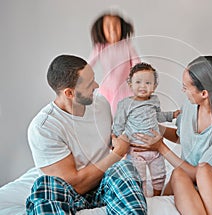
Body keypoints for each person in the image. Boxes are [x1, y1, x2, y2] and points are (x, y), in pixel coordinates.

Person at [26, 55, 147, 215]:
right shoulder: (44, 127)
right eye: (90, 84)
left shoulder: (101, 104)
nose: (96, 86)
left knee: (124, 168)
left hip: (105, 184)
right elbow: (75, 184)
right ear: (69, 93)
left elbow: (112, 139)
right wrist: (117, 153)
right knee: (45, 186)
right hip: (69, 193)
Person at [133, 56, 212, 215]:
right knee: (178, 173)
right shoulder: (190, 108)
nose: (183, 90)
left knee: (203, 170)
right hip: (187, 172)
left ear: (204, 93)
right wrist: (156, 128)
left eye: (186, 87)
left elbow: (198, 172)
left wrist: (161, 148)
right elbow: (181, 136)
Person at [112, 62, 180, 197]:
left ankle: (157, 196)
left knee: (159, 174)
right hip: (136, 149)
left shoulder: (154, 100)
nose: (143, 86)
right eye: (138, 82)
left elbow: (158, 116)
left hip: (155, 147)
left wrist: (172, 115)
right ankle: (141, 197)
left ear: (154, 87)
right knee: (139, 177)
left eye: (148, 83)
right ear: (130, 84)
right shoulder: (125, 104)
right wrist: (117, 143)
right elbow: (119, 124)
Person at [88, 11, 140, 116]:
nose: (112, 29)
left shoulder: (127, 46)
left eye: (116, 26)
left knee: (126, 113)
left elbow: (137, 64)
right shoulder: (100, 47)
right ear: (101, 30)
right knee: (106, 114)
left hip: (125, 88)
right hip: (107, 89)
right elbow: (89, 65)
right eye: (108, 26)